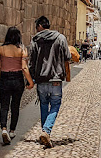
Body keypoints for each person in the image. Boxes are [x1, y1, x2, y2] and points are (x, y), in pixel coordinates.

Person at [29, 16, 71, 148]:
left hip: (41, 80)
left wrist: (30, 78)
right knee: (55, 105)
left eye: (37, 27)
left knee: (43, 105)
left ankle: (44, 132)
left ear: (40, 26)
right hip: (56, 80)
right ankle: (46, 131)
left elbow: (32, 62)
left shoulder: (35, 40)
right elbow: (68, 57)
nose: (37, 30)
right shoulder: (61, 38)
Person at [0, 27, 34, 145]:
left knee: (4, 106)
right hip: (18, 79)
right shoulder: (22, 50)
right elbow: (24, 68)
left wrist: (0, 79)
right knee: (15, 106)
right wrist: (30, 82)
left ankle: (4, 129)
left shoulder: (0, 49)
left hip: (4, 77)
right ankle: (12, 131)